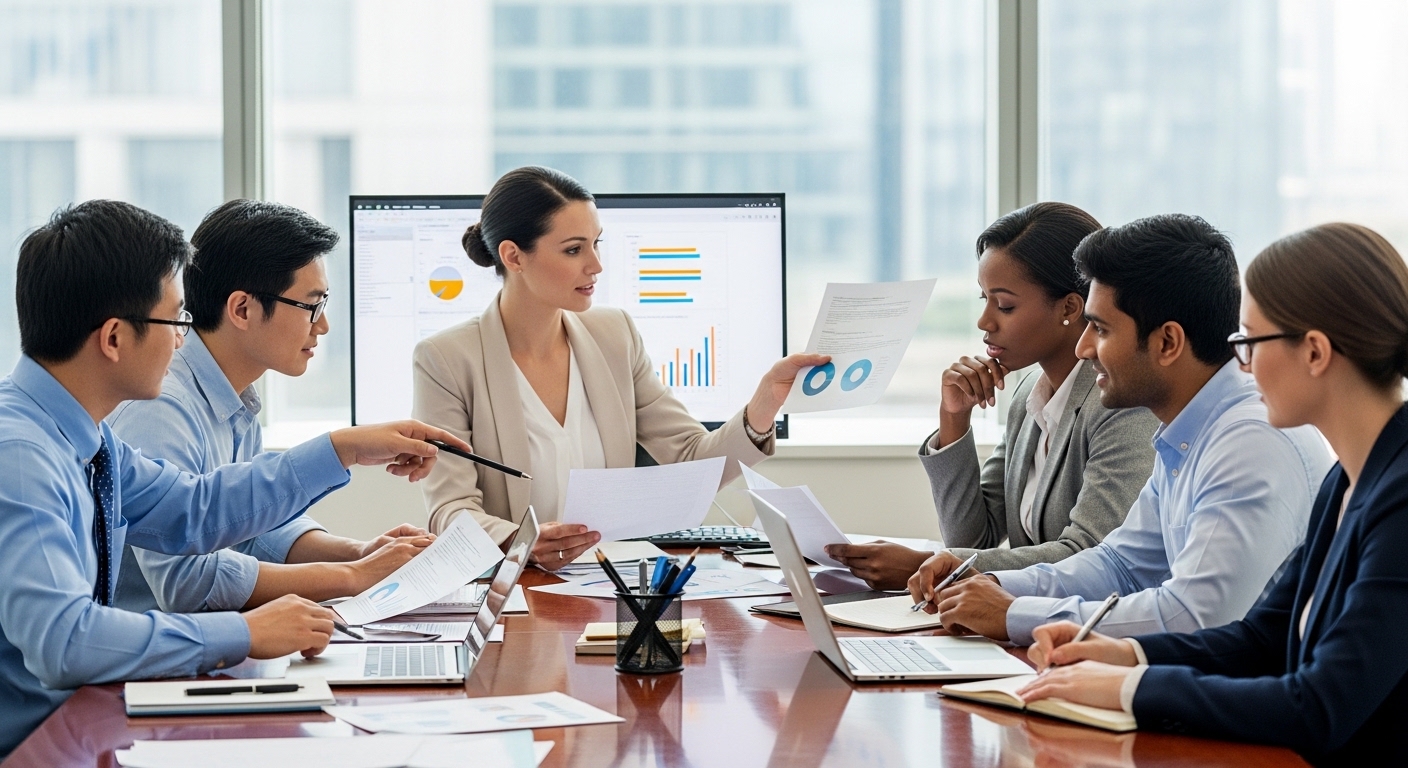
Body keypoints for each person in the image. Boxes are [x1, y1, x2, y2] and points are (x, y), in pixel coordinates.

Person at [0, 200, 469, 756]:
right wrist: (245, 632)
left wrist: (345, 448)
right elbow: (66, 639)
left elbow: (193, 510)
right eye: (174, 320)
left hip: (81, 722)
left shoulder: (87, 438)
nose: (182, 339)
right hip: (33, 740)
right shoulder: (23, 456)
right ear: (114, 338)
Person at [1019, 223, 1408, 765]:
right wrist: (1123, 654)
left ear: (1315, 352)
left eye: (1248, 343)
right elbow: (1260, 639)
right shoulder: (1349, 480)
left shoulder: (1400, 496)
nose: (1241, 365)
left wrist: (1128, 690)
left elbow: (1320, 704)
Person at [909, 214, 1332, 645]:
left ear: (1167, 342)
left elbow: (1195, 617)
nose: (1083, 346)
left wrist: (1015, 614)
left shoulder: (1248, 441)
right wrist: (994, 583)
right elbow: (1119, 564)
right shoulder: (1190, 431)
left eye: (1101, 329)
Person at [413, 166, 825, 568]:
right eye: (574, 249)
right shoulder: (447, 358)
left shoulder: (613, 335)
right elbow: (451, 511)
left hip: (609, 585)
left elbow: (694, 460)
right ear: (513, 256)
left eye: (597, 244)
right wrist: (524, 541)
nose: (596, 265)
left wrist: (765, 402)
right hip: (514, 591)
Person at [109, 200, 433, 615]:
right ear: (242, 309)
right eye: (311, 305)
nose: (323, 325)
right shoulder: (162, 408)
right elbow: (185, 582)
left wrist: (358, 553)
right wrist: (352, 577)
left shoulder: (236, 397)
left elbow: (253, 529)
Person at [824, 202, 1158, 589]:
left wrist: (937, 566)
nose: (984, 321)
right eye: (984, 299)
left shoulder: (1120, 404)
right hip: (1026, 621)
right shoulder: (1028, 398)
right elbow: (971, 540)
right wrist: (953, 418)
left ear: (1070, 306)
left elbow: (1088, 552)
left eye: (1005, 305)